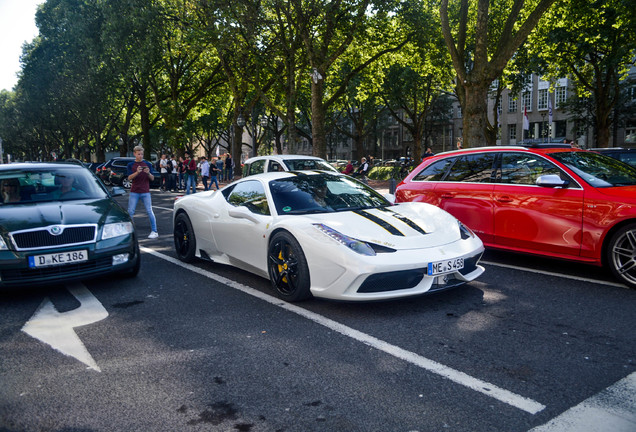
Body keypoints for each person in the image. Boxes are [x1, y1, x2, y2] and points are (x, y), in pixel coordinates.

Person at [127, 145, 158, 239]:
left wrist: (148, 173)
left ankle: (154, 231)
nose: (140, 156)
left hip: (145, 191)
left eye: (142, 154)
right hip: (134, 191)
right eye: (139, 154)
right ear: (134, 154)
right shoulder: (130, 165)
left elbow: (152, 178)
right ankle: (129, 232)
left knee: (149, 211)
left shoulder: (148, 164)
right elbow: (128, 178)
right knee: (130, 212)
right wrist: (137, 172)